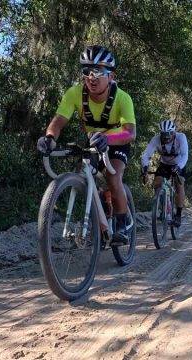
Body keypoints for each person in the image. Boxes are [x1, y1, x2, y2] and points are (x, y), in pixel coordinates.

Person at [37, 45, 136, 245]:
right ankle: (100, 226)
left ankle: (122, 224)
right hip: (93, 142)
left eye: (99, 71)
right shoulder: (74, 93)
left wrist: (109, 139)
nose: (92, 77)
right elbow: (59, 120)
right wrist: (49, 137)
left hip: (117, 141)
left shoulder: (123, 98)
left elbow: (130, 133)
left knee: (112, 176)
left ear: (111, 76)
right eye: (87, 71)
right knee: (85, 175)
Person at [141, 119, 188, 227]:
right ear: (160, 133)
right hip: (164, 164)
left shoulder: (181, 137)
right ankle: (165, 207)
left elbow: (185, 155)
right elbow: (146, 155)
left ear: (174, 132)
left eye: (169, 135)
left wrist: (179, 167)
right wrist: (144, 167)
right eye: (164, 135)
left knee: (179, 185)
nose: (166, 138)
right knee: (157, 183)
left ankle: (178, 215)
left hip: (179, 163)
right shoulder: (156, 139)